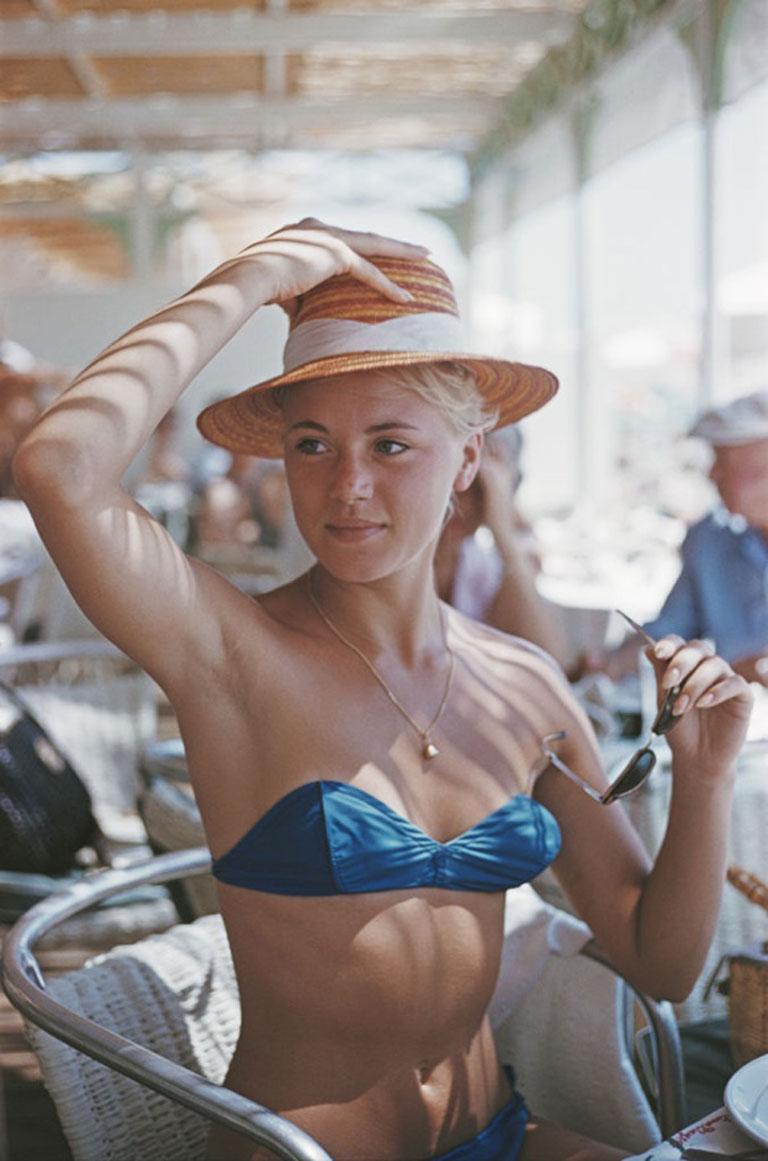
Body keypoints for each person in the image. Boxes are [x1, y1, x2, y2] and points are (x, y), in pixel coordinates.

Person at [13, 221, 752, 1161]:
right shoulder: (232, 652)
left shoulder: (523, 686)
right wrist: (257, 274)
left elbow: (663, 961)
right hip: (300, 1149)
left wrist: (708, 776)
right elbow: (59, 466)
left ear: (470, 460)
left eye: (393, 444)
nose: (348, 484)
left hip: (500, 1130)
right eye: (312, 443)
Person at [588, 390, 768, 687]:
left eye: (725, 460)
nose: (712, 475)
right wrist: (618, 661)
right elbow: (670, 631)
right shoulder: (709, 541)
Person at [434, 426, 569, 667]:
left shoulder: (481, 567)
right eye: (451, 477)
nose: (456, 501)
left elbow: (549, 661)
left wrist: (503, 532)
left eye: (477, 489)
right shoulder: (394, 562)